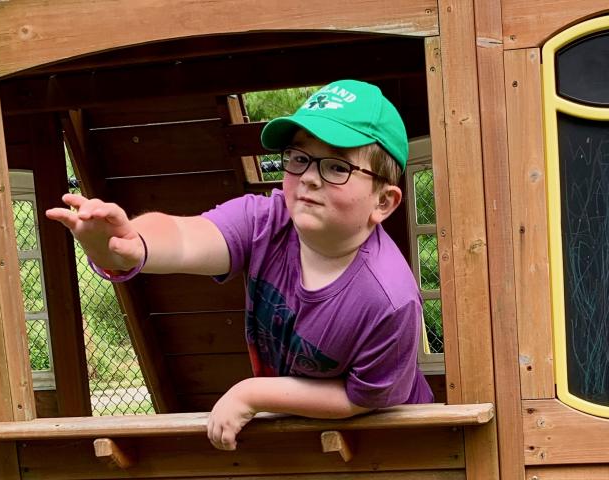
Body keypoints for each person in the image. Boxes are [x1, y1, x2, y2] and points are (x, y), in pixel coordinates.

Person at [46, 79, 434, 450]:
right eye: (299, 158)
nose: (309, 178)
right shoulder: (264, 221)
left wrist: (253, 393)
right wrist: (130, 243)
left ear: (383, 202)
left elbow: (360, 399)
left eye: (337, 166)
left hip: (399, 448)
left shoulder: (388, 297)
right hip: (310, 440)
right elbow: (185, 237)